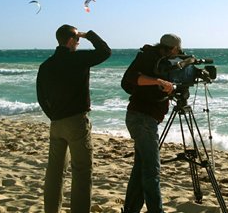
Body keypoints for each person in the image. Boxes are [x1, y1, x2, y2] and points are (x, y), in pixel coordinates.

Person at [36, 24, 111, 213]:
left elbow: (41, 96)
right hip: (76, 122)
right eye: (77, 40)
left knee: (55, 172)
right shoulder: (77, 59)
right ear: (71, 41)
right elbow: (105, 51)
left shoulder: (46, 65)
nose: (78, 43)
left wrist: (53, 115)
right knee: (82, 171)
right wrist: (89, 35)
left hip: (56, 123)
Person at [120, 34, 183, 213]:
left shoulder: (163, 61)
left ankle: (131, 209)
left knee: (141, 167)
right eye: (177, 51)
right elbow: (130, 79)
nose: (177, 54)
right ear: (172, 49)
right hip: (141, 118)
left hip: (144, 118)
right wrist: (157, 81)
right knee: (152, 170)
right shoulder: (148, 57)